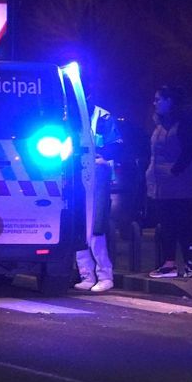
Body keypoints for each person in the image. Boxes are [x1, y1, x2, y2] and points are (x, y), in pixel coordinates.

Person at [145, 86, 192, 279]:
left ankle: (188, 263)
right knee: (167, 223)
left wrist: (174, 171)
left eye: (158, 99)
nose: (155, 103)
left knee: (182, 222)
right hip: (161, 184)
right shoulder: (161, 124)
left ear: (170, 101)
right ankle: (169, 263)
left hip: (179, 184)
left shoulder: (182, 124)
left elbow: (190, 149)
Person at [73, 105, 117, 292]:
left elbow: (115, 146)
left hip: (98, 175)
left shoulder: (103, 117)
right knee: (79, 227)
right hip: (76, 173)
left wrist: (103, 159)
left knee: (96, 228)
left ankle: (105, 275)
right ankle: (86, 275)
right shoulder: (70, 112)